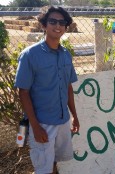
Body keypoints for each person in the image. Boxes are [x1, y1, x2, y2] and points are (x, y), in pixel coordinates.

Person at [14, 6, 80, 173]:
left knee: (56, 161)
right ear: (43, 25)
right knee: (43, 167)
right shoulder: (30, 55)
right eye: (52, 21)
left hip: (63, 120)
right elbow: (23, 92)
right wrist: (35, 127)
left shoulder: (66, 55)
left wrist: (74, 116)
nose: (57, 26)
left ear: (66, 27)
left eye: (62, 22)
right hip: (42, 122)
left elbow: (68, 87)